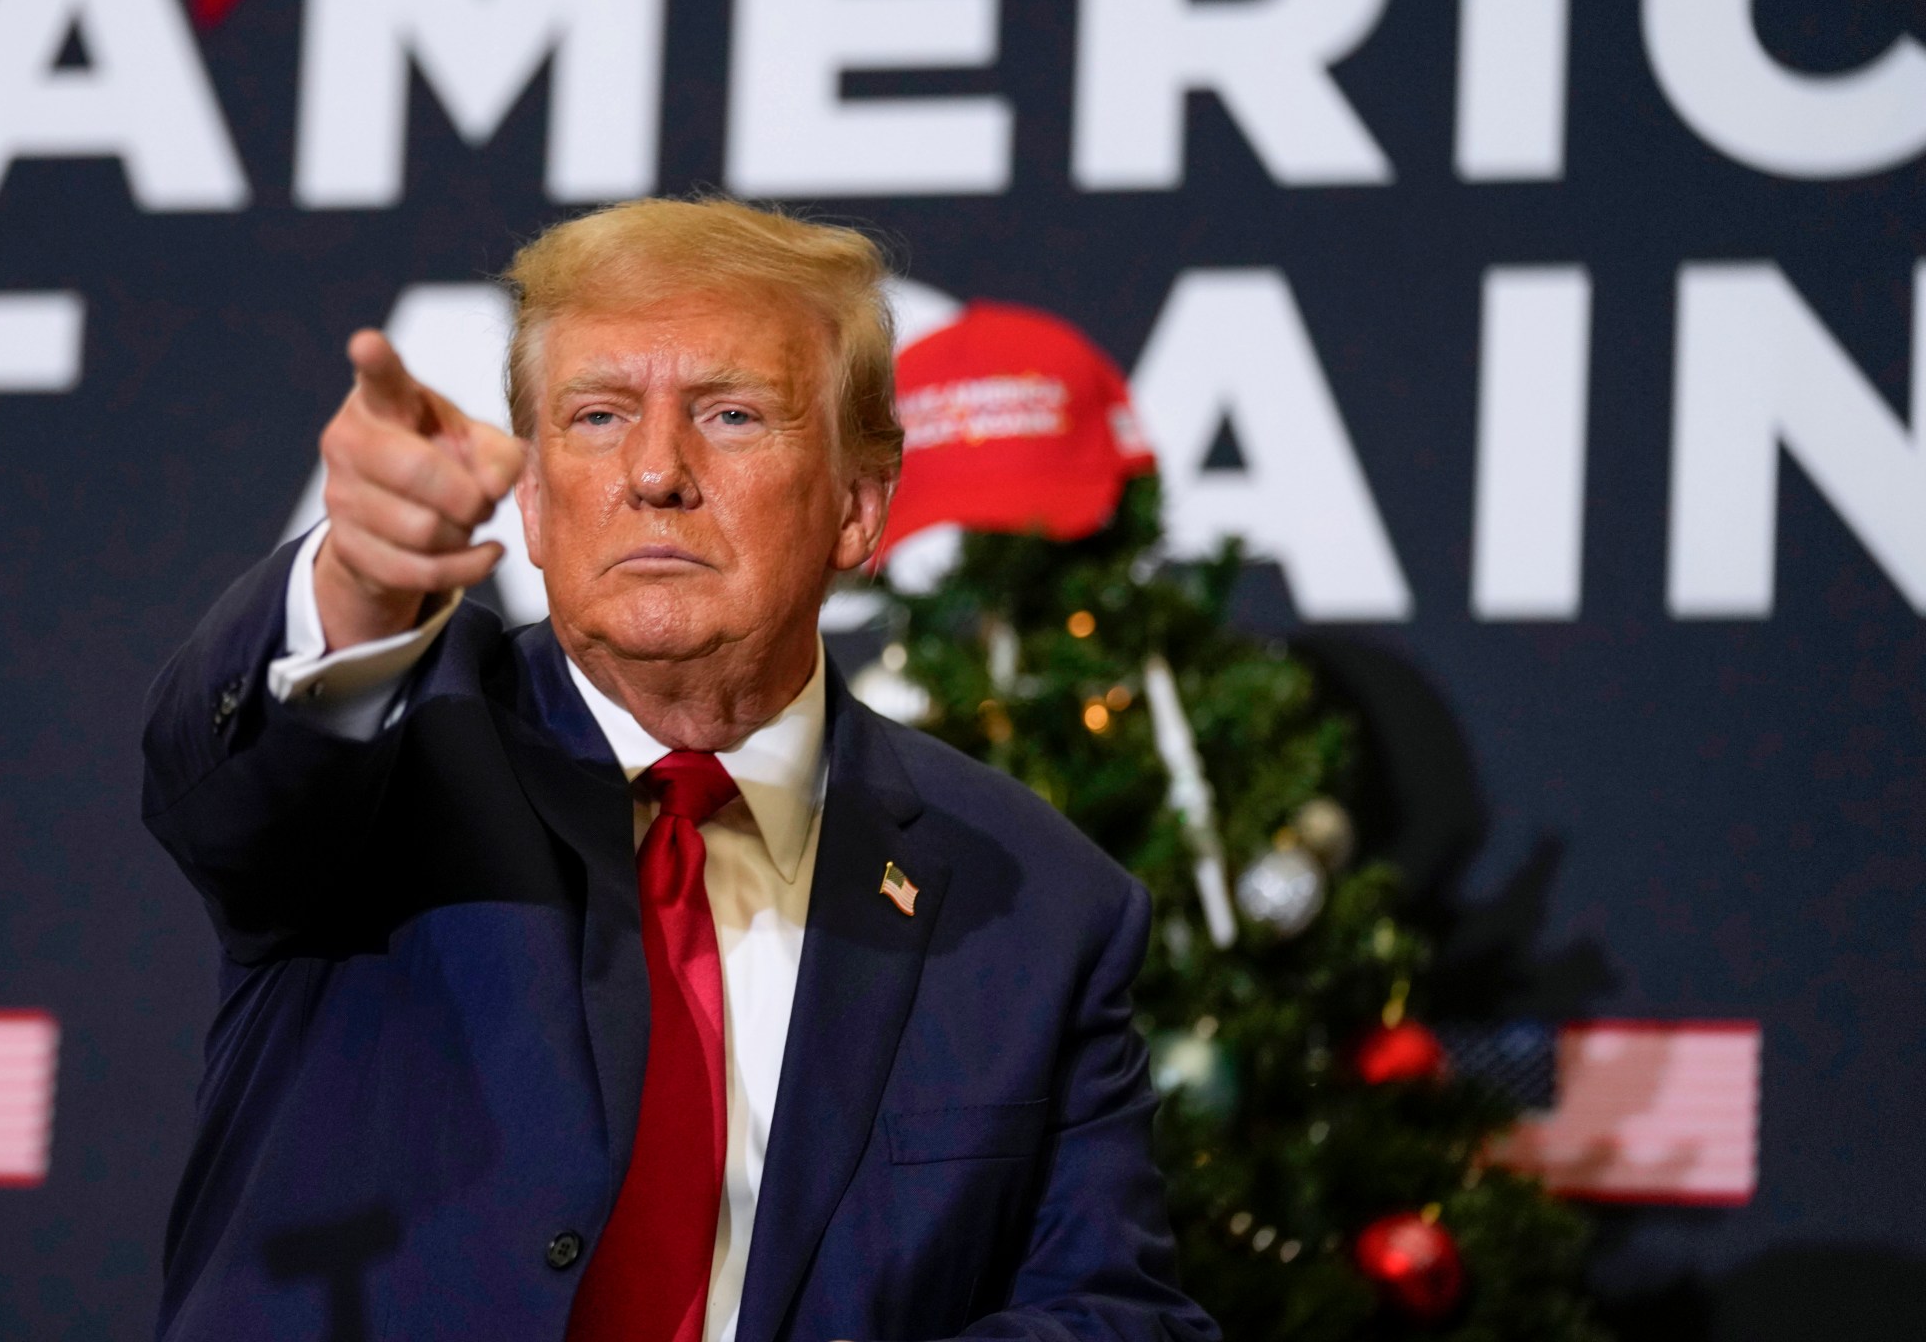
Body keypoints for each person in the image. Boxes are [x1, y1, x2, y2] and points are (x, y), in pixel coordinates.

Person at [139, 198, 1214, 1342]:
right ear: (534, 500)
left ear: (860, 505)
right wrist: (356, 580)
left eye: (731, 415)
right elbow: (224, 781)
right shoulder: (388, 752)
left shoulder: (1038, 904)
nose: (655, 472)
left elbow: (1114, 1314)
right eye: (598, 416)